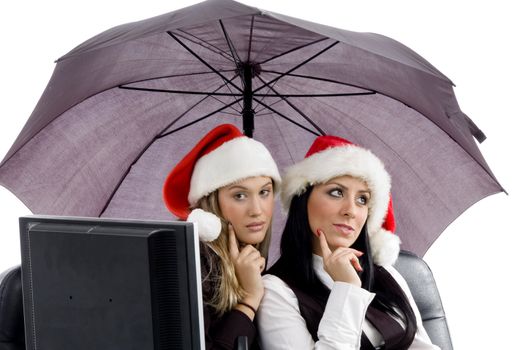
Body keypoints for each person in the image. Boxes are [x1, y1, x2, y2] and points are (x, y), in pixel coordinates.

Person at [257, 135, 440, 349]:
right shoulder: (275, 290)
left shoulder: (385, 273)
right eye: (336, 192)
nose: (351, 211)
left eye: (362, 199)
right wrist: (346, 288)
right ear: (303, 199)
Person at [163, 124, 281, 350]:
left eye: (264, 192)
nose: (257, 209)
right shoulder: (191, 262)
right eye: (239, 195)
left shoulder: (248, 259)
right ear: (211, 204)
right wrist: (249, 299)